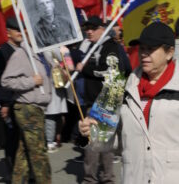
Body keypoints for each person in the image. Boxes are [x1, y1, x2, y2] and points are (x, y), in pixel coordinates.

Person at [79, 21, 179, 184]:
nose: (144, 54)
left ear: (169, 52)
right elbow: (106, 142)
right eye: (142, 48)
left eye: (151, 48)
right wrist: (92, 132)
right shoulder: (118, 86)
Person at [76, 16, 131, 184]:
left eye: (93, 28)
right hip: (93, 101)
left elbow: (114, 72)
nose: (89, 31)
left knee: (99, 146)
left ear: (103, 29)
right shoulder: (92, 47)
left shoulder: (111, 47)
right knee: (97, 145)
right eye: (87, 29)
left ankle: (99, 179)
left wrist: (86, 69)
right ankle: (98, 178)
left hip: (105, 102)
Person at [1, 32, 52, 184]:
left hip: (37, 108)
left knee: (24, 152)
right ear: (28, 34)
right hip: (27, 107)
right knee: (38, 152)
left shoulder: (43, 54)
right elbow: (6, 81)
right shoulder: (21, 54)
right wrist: (30, 81)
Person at [0, 17, 22, 175]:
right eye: (16, 29)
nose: (20, 32)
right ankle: (12, 173)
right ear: (8, 33)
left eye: (21, 29)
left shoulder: (24, 48)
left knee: (22, 139)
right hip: (10, 102)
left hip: (24, 101)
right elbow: (1, 80)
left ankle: (24, 172)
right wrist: (4, 103)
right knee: (11, 139)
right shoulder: (3, 51)